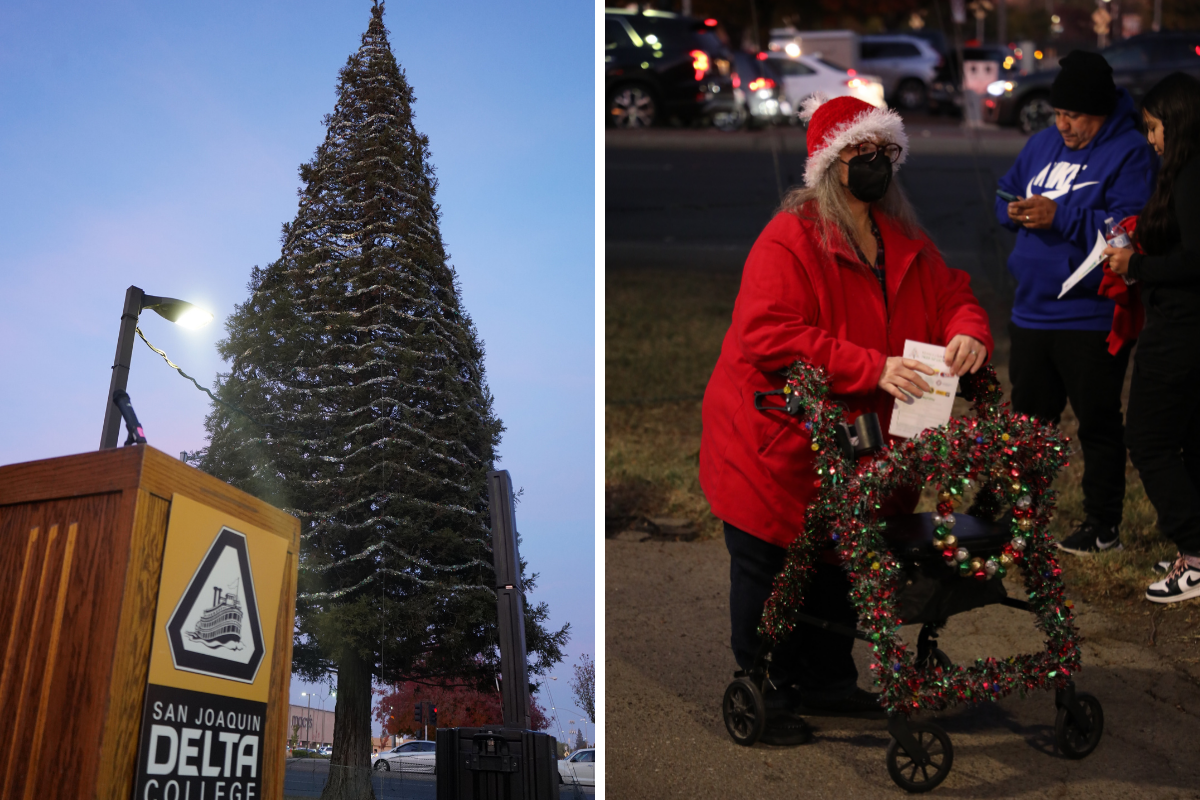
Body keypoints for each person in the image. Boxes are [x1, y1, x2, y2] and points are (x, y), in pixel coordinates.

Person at [699, 94, 993, 744]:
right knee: (771, 566)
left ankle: (828, 680)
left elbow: (954, 295)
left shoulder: (903, 238)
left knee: (839, 559)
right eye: (861, 152)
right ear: (830, 163)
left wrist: (969, 334)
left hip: (860, 447)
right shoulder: (791, 237)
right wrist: (873, 367)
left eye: (885, 152)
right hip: (774, 438)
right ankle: (766, 688)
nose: (876, 164)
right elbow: (768, 332)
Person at [994, 50, 1158, 555]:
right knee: (1028, 419)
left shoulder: (1131, 152)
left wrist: (1060, 216)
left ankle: (1102, 523)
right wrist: (1013, 211)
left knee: (1098, 421)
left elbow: (1130, 231)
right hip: (1031, 310)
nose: (1062, 125)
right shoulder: (1042, 142)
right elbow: (1004, 192)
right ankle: (1021, 514)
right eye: (1057, 113)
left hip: (1091, 314)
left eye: (1074, 116)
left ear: (1101, 113)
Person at [1102, 72, 1200, 603]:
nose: (1151, 139)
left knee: (1149, 438)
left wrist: (1136, 264)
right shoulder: (1185, 173)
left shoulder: (1190, 176)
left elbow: (1194, 260)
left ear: (1177, 123)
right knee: (1190, 439)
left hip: (1182, 329)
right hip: (1183, 325)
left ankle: (1196, 550)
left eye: (1155, 127)